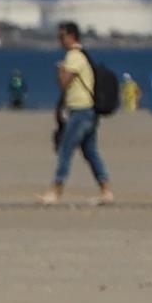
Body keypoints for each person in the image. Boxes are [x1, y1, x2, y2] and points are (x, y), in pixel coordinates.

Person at [38, 21, 112, 206]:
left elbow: (64, 83)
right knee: (90, 151)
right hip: (88, 111)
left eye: (62, 36)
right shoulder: (82, 56)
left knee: (66, 149)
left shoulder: (74, 56)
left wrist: (60, 69)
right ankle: (106, 189)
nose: (60, 41)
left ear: (71, 37)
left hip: (81, 110)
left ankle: (56, 190)